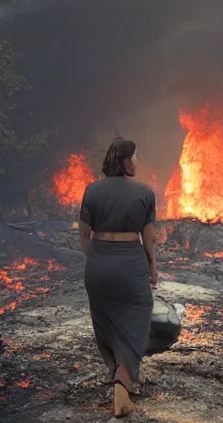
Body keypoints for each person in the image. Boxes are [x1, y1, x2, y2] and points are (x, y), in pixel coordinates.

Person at [78, 138, 158, 417]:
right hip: (129, 263)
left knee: (106, 323)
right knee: (137, 319)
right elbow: (149, 240)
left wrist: (99, 260)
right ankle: (122, 389)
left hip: (98, 265)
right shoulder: (145, 193)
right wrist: (152, 268)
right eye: (134, 157)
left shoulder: (91, 191)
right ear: (125, 161)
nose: (136, 162)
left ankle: (120, 376)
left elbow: (84, 238)